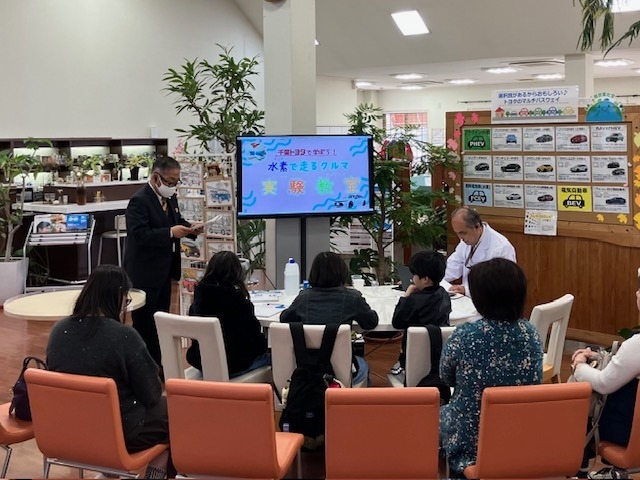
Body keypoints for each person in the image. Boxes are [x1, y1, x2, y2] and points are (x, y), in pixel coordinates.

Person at [46, 265, 172, 478]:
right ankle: (152, 476)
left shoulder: (58, 331)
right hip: (119, 432)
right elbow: (151, 393)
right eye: (126, 300)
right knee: (178, 415)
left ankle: (109, 473)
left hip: (67, 429)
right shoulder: (124, 336)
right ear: (117, 296)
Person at [439, 258, 543, 477]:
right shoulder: (531, 334)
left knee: (431, 418)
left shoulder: (465, 336)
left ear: (481, 299)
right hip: (518, 432)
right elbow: (536, 379)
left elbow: (446, 377)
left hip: (469, 437)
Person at [124, 155, 202, 369]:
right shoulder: (139, 201)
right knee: (145, 324)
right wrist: (169, 233)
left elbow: (176, 221)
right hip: (144, 272)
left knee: (161, 321)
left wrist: (191, 228)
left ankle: (160, 367)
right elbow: (139, 235)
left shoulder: (170, 197)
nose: (173, 186)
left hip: (165, 271)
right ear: (156, 177)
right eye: (170, 181)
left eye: (177, 181)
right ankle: (145, 368)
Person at [571, 288, 640, 480]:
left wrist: (579, 366)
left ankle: (578, 475)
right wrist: (598, 356)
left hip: (630, 434)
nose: (636, 292)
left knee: (575, 416)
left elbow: (603, 384)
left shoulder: (637, 344)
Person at [280, 251, 378, 385]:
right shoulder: (352, 298)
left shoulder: (303, 297)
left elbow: (284, 319)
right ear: (342, 272)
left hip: (307, 368)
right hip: (341, 368)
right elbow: (371, 322)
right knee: (363, 365)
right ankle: (356, 397)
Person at [186, 251, 270, 377]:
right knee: (276, 357)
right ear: (237, 274)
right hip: (234, 366)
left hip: (203, 363)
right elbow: (255, 341)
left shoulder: (198, 301)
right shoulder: (239, 304)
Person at [389, 250, 451, 378]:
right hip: (439, 360)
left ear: (425, 280)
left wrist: (407, 295)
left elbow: (397, 322)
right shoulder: (444, 294)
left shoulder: (414, 300)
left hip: (412, 361)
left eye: (414, 275)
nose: (412, 279)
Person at [444, 206, 516, 297]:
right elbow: (452, 266)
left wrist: (466, 290)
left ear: (477, 226)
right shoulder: (465, 242)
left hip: (492, 301)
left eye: (463, 233)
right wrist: (435, 278)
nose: (460, 238)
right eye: (457, 233)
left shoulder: (501, 247)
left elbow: (500, 284)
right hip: (471, 298)